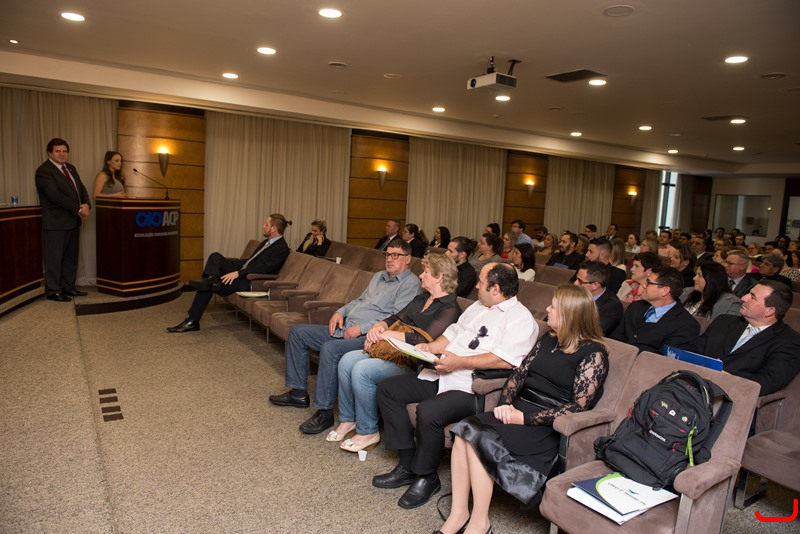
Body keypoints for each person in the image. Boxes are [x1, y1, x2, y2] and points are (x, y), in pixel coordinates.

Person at [438, 285, 609, 533]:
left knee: (476, 436)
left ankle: (479, 523)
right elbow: (519, 375)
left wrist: (525, 418)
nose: (547, 309)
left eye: (553, 306)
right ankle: (458, 513)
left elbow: (579, 406)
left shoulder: (594, 353)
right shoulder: (549, 338)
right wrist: (505, 403)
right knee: (465, 428)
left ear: (570, 314)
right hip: (518, 410)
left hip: (545, 424)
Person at [374, 263, 537, 510]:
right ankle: (407, 464)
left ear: (495, 288)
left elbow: (504, 360)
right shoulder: (478, 306)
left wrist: (459, 362)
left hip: (474, 386)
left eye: (481, 282)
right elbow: (452, 334)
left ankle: (427, 477)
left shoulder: (520, 319)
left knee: (428, 411)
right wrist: (431, 347)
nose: (476, 286)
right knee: (388, 389)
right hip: (443, 372)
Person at [269, 239, 421, 434]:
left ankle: (324, 412)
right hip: (345, 328)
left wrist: (361, 328)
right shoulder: (378, 276)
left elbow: (396, 319)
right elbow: (359, 300)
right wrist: (340, 311)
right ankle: (298, 393)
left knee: (330, 349)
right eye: (387, 254)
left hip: (371, 338)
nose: (389, 259)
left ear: (408, 259)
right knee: (298, 333)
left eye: (395, 255)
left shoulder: (410, 284)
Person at [332, 254, 462, 452]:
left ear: (439, 277)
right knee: (346, 360)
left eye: (426, 272)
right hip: (394, 352)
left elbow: (424, 340)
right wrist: (379, 326)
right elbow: (395, 317)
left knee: (362, 370)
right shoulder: (423, 298)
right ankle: (348, 419)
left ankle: (368, 431)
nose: (421, 275)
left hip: (414, 364)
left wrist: (387, 334)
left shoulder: (450, 308)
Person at [167, 213, 291, 332]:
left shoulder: (281, 248)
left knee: (207, 286)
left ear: (273, 229)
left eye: (266, 224)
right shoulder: (266, 242)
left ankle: (192, 321)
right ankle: (212, 279)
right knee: (215, 256)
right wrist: (233, 266)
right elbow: (251, 261)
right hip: (243, 271)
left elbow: (264, 268)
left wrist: (238, 273)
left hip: (250, 280)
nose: (263, 226)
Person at [693, 281, 800, 396]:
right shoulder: (724, 321)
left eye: (753, 297)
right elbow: (693, 350)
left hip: (730, 397)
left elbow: (768, 381)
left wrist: (724, 378)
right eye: (748, 293)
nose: (743, 298)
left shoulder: (789, 342)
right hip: (692, 383)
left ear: (769, 311)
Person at [35, 137, 91, 302]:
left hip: (73, 221)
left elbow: (81, 189)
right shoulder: (44, 171)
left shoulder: (71, 168)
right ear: (49, 153)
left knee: (70, 258)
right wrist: (78, 208)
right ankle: (53, 290)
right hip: (56, 222)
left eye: (64, 151)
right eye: (57, 151)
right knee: (54, 258)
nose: (62, 154)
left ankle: (68, 287)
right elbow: (54, 196)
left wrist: (86, 204)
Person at [610, 264, 699, 352]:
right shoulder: (636, 307)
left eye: (648, 282)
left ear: (664, 291)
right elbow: (615, 338)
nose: (643, 286)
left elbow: (663, 357)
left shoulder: (686, 325)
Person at [575, 261, 623, 335]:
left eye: (580, 281)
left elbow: (592, 333)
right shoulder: (576, 294)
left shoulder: (612, 307)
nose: (575, 283)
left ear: (595, 285)